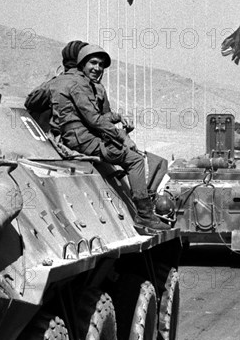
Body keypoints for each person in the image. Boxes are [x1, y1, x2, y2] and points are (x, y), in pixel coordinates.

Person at [48, 44, 168, 231]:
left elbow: (101, 117)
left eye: (100, 65)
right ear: (81, 64)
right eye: (93, 63)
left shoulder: (80, 84)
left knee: (138, 156)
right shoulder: (78, 85)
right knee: (135, 160)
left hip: (86, 136)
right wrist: (119, 138)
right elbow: (94, 120)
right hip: (83, 138)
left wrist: (118, 118)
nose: (97, 68)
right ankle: (144, 215)